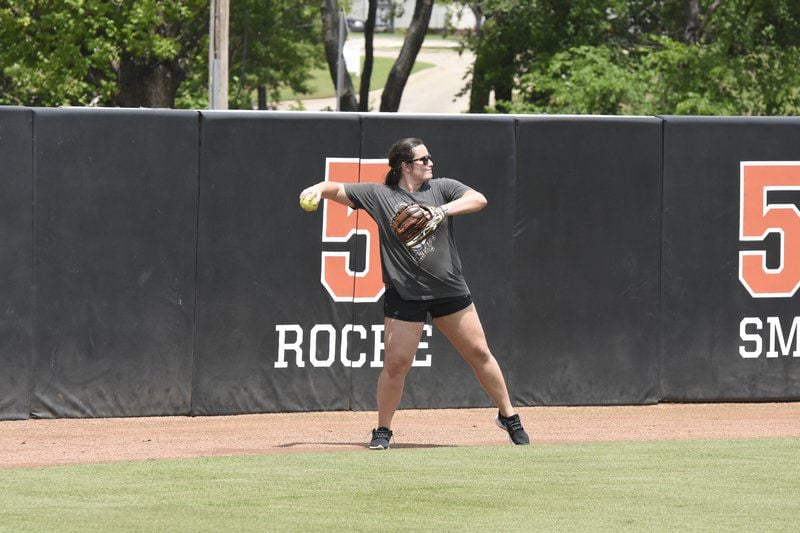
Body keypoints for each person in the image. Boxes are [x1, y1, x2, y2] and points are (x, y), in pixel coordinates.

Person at [299, 138, 529, 449]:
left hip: (448, 289)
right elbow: (334, 188)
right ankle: (383, 430)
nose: (431, 163)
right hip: (405, 292)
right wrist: (316, 190)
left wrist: (440, 211)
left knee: (479, 354)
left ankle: (509, 416)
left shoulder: (441, 187)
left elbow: (479, 199)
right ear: (405, 166)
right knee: (396, 364)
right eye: (423, 159)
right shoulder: (380, 195)